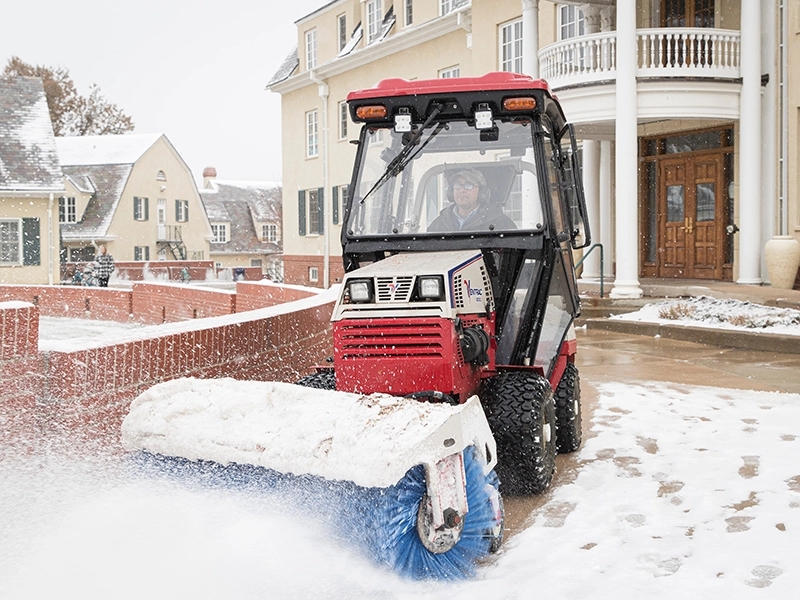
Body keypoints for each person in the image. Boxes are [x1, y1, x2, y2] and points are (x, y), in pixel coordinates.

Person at [428, 168, 516, 232]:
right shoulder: (439, 224)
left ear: (481, 192)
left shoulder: (501, 223)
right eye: (458, 185)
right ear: (451, 190)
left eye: (469, 185)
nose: (462, 190)